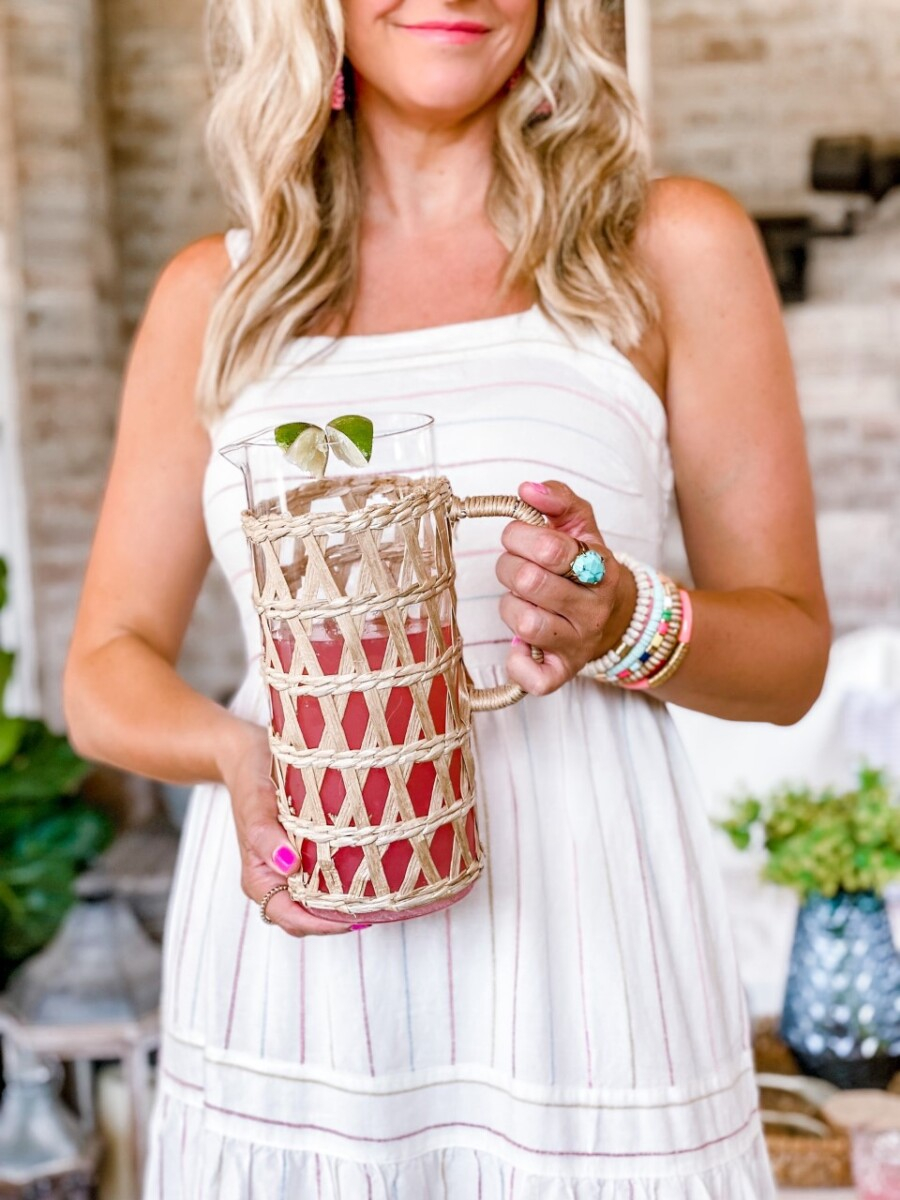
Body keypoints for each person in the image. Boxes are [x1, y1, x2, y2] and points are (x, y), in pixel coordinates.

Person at [64, 0, 831, 1194]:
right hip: (311, 951)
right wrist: (237, 756)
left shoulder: (670, 245)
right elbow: (105, 664)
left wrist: (625, 619)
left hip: (589, 957)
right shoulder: (214, 297)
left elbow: (789, 660)